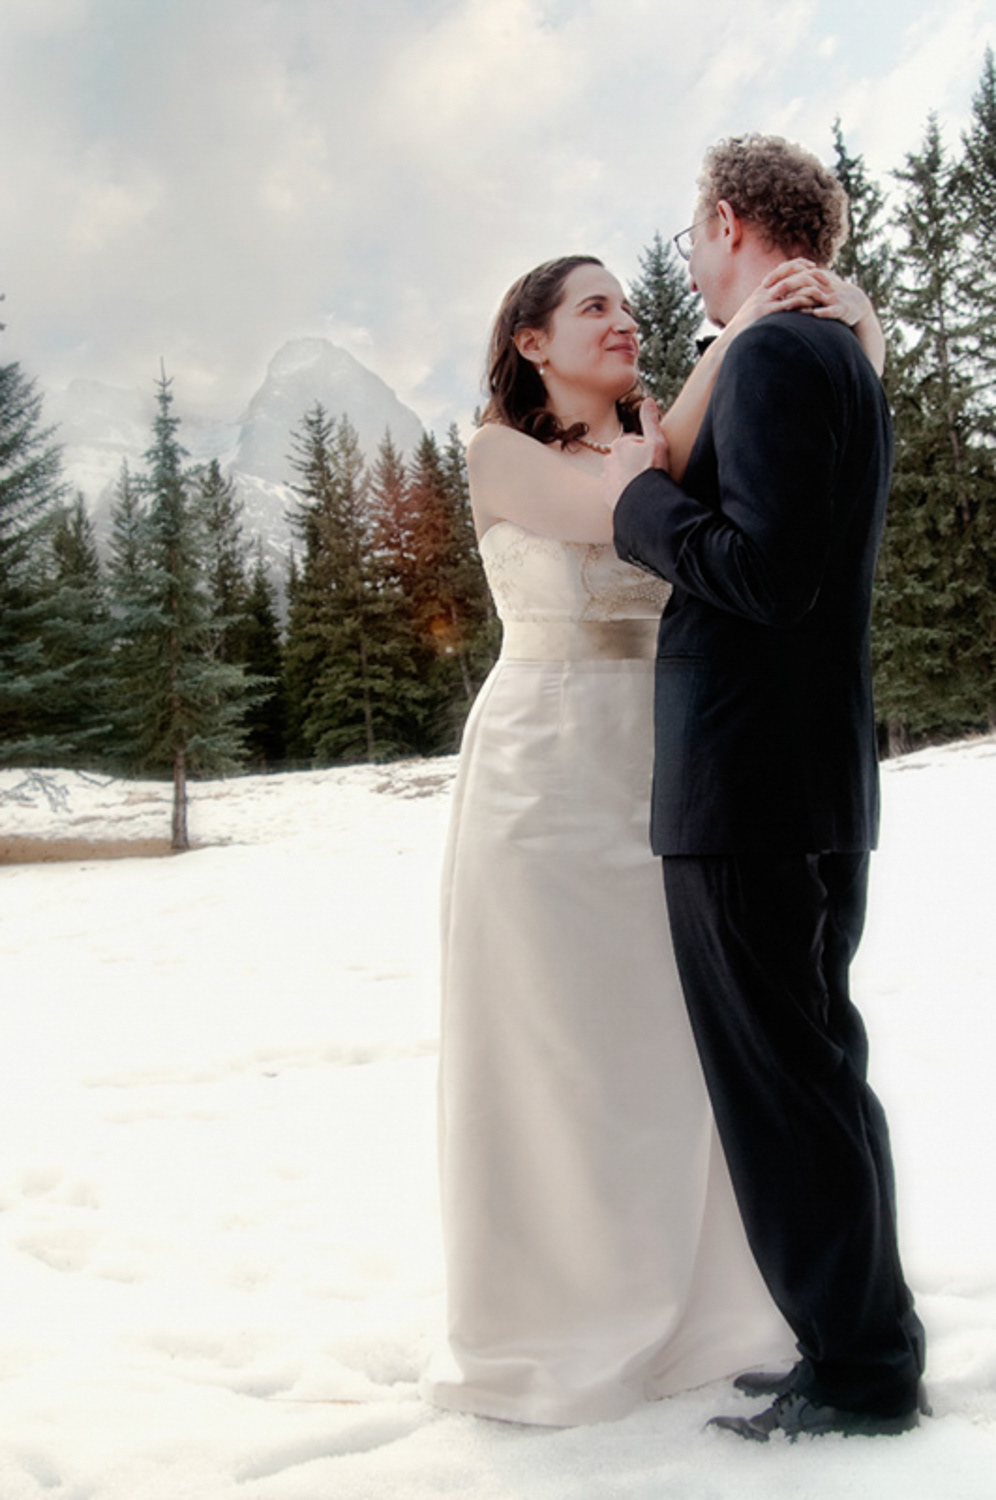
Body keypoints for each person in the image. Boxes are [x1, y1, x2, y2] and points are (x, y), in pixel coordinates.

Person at [420, 248, 885, 1427]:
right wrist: (734, 341)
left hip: (678, 763)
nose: (626, 321)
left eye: (631, 303)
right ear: (529, 343)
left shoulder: (659, 441)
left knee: (687, 1049)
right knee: (559, 1051)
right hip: (546, 773)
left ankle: (702, 1307)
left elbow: (748, 478)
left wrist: (829, 328)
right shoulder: (501, 453)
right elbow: (616, 507)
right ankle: (561, 1320)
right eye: (594, 308)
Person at [604, 133, 926, 1441]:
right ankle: (858, 1345)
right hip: (798, 784)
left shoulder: (786, 352)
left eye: (691, 233)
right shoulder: (822, 351)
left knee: (789, 1090)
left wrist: (640, 509)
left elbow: (770, 572)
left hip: (753, 787)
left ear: (731, 222)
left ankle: (859, 1372)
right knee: (812, 1077)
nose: (687, 256)